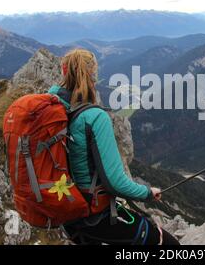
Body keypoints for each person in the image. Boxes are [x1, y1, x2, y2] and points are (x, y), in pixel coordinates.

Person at [48, 48, 179, 245]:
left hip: (68, 214)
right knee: (169, 245)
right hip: (95, 217)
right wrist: (147, 193)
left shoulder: (52, 109)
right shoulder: (94, 117)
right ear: (93, 75)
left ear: (64, 73)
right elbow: (115, 182)